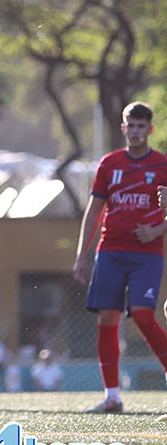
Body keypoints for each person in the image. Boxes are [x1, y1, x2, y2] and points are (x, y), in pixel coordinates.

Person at [73, 101, 167, 413]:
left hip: (147, 253)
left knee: (141, 313)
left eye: (142, 126)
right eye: (132, 126)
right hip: (110, 250)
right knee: (107, 318)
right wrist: (80, 255)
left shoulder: (161, 166)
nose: (137, 131)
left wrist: (157, 230)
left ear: (150, 129)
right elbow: (94, 210)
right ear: (123, 128)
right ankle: (112, 396)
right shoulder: (109, 164)